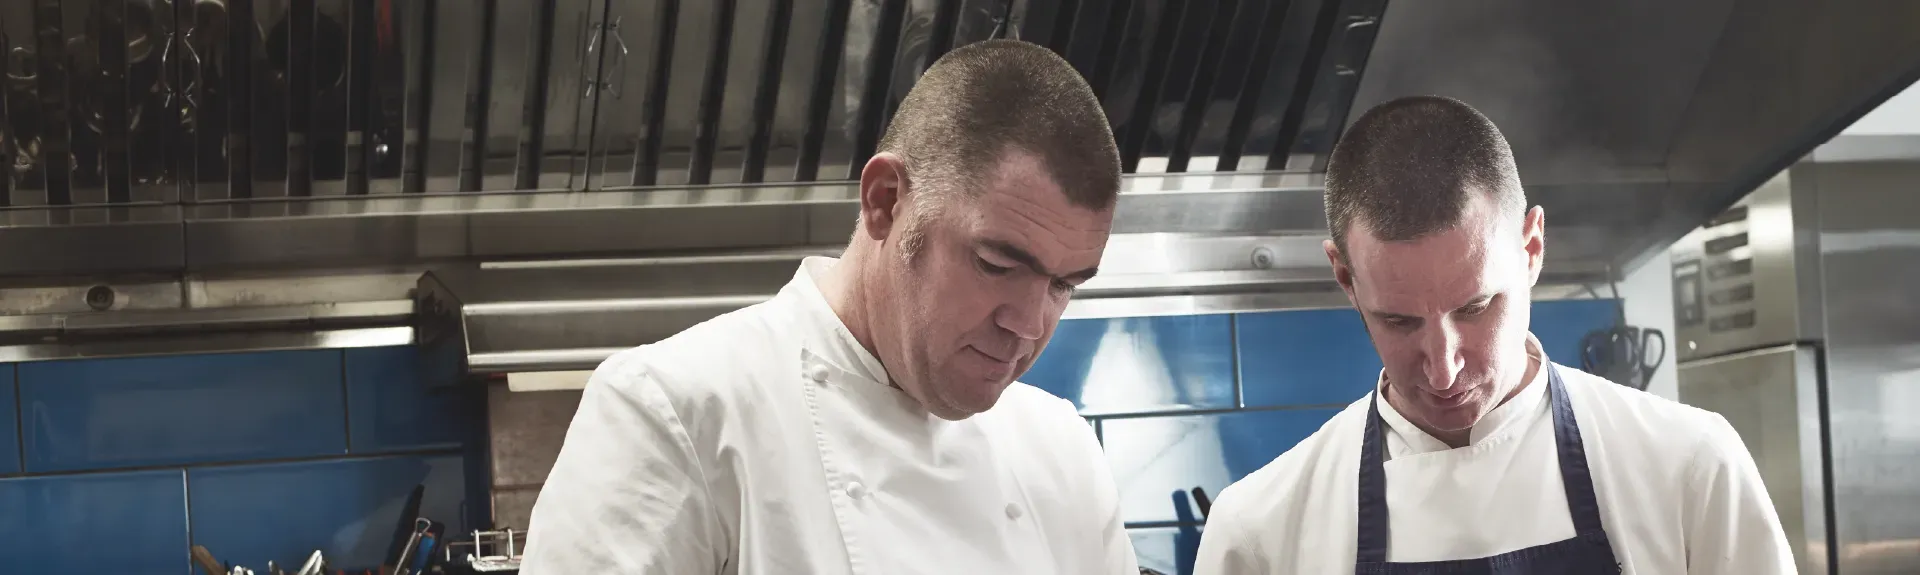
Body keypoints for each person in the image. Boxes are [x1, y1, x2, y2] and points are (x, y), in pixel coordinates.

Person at [519, 40, 1139, 574]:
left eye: (1065, 285)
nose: (1028, 327)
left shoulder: (1061, 452)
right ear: (885, 201)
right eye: (998, 265)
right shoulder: (674, 414)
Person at [1192, 96, 1796, 574]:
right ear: (1346, 278)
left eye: (1476, 307)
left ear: (1531, 249)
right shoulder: (1260, 535)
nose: (1444, 369)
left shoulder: (1687, 468)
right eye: (1399, 321)